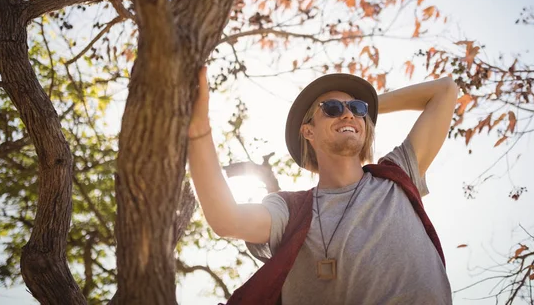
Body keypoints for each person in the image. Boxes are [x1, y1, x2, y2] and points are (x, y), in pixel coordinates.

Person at [188, 69, 458, 305]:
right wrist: (198, 127)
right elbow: (227, 219)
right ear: (308, 131)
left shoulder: (397, 175)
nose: (348, 115)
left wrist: (368, 105)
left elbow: (445, 90)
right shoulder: (292, 210)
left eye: (357, 109)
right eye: (332, 108)